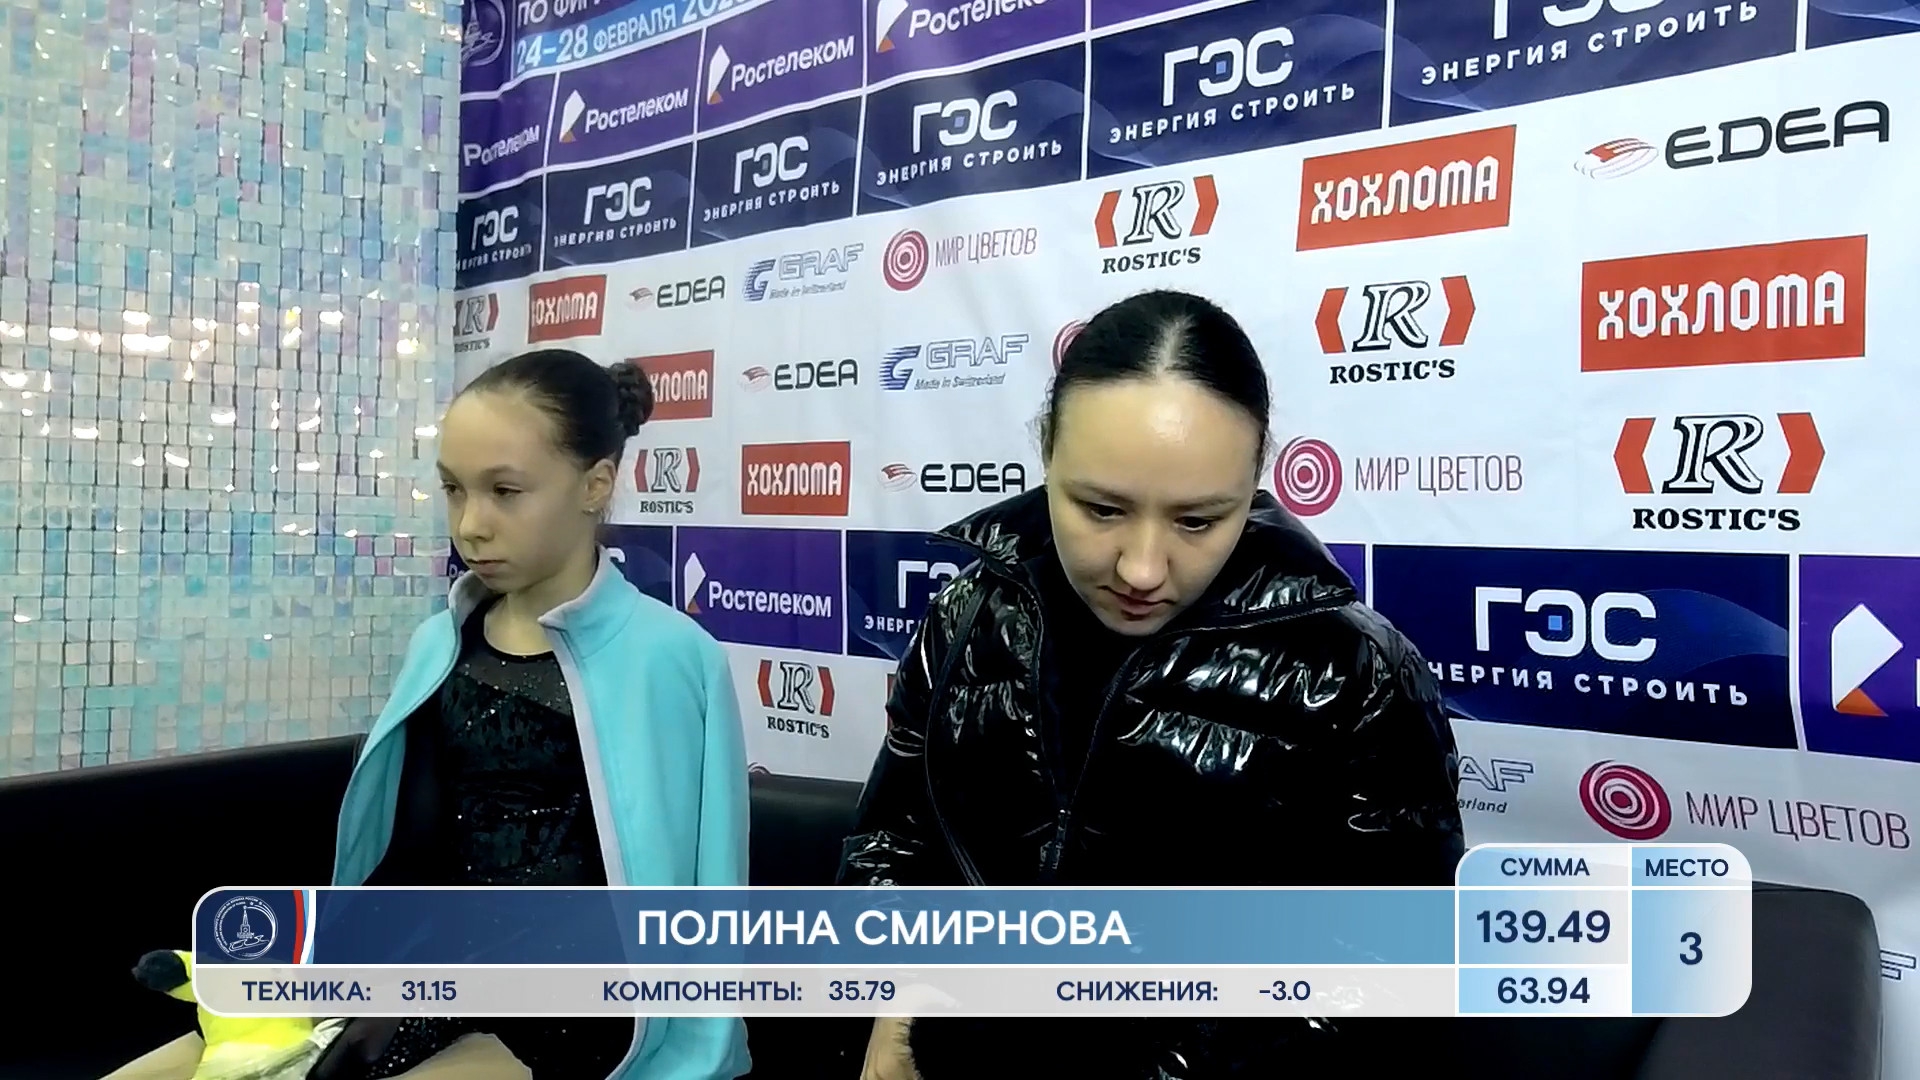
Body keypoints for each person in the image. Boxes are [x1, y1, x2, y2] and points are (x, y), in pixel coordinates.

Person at [838, 291, 1466, 1080]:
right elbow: (892, 846)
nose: (1141, 570)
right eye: (1101, 509)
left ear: (1255, 477)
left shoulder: (1354, 675)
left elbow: (1393, 980)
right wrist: (898, 1005)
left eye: (1197, 521)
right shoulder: (968, 616)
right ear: (1045, 450)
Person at [310, 348, 751, 1080]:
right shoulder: (439, 645)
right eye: (454, 490)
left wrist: (702, 1053)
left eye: (505, 491)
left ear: (596, 484)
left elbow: (710, 885)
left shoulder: (671, 658)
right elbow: (411, 850)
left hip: (591, 1008)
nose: (471, 525)